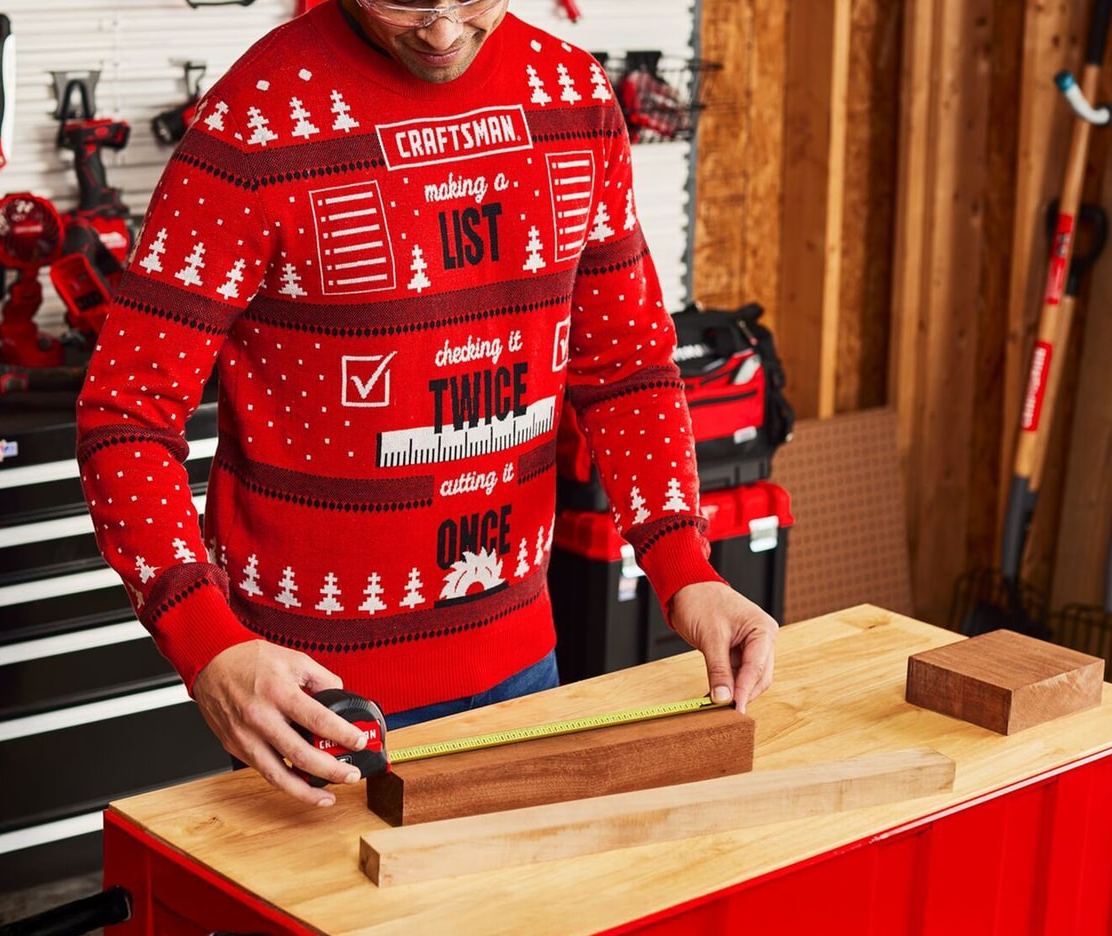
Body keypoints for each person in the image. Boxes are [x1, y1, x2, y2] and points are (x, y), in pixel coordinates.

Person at [76, 0, 777, 807]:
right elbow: (126, 413)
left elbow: (624, 366)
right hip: (314, 703)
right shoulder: (256, 122)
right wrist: (206, 645)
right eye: (402, 1)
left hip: (526, 670)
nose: (442, 33)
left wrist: (687, 570)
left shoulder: (571, 97)